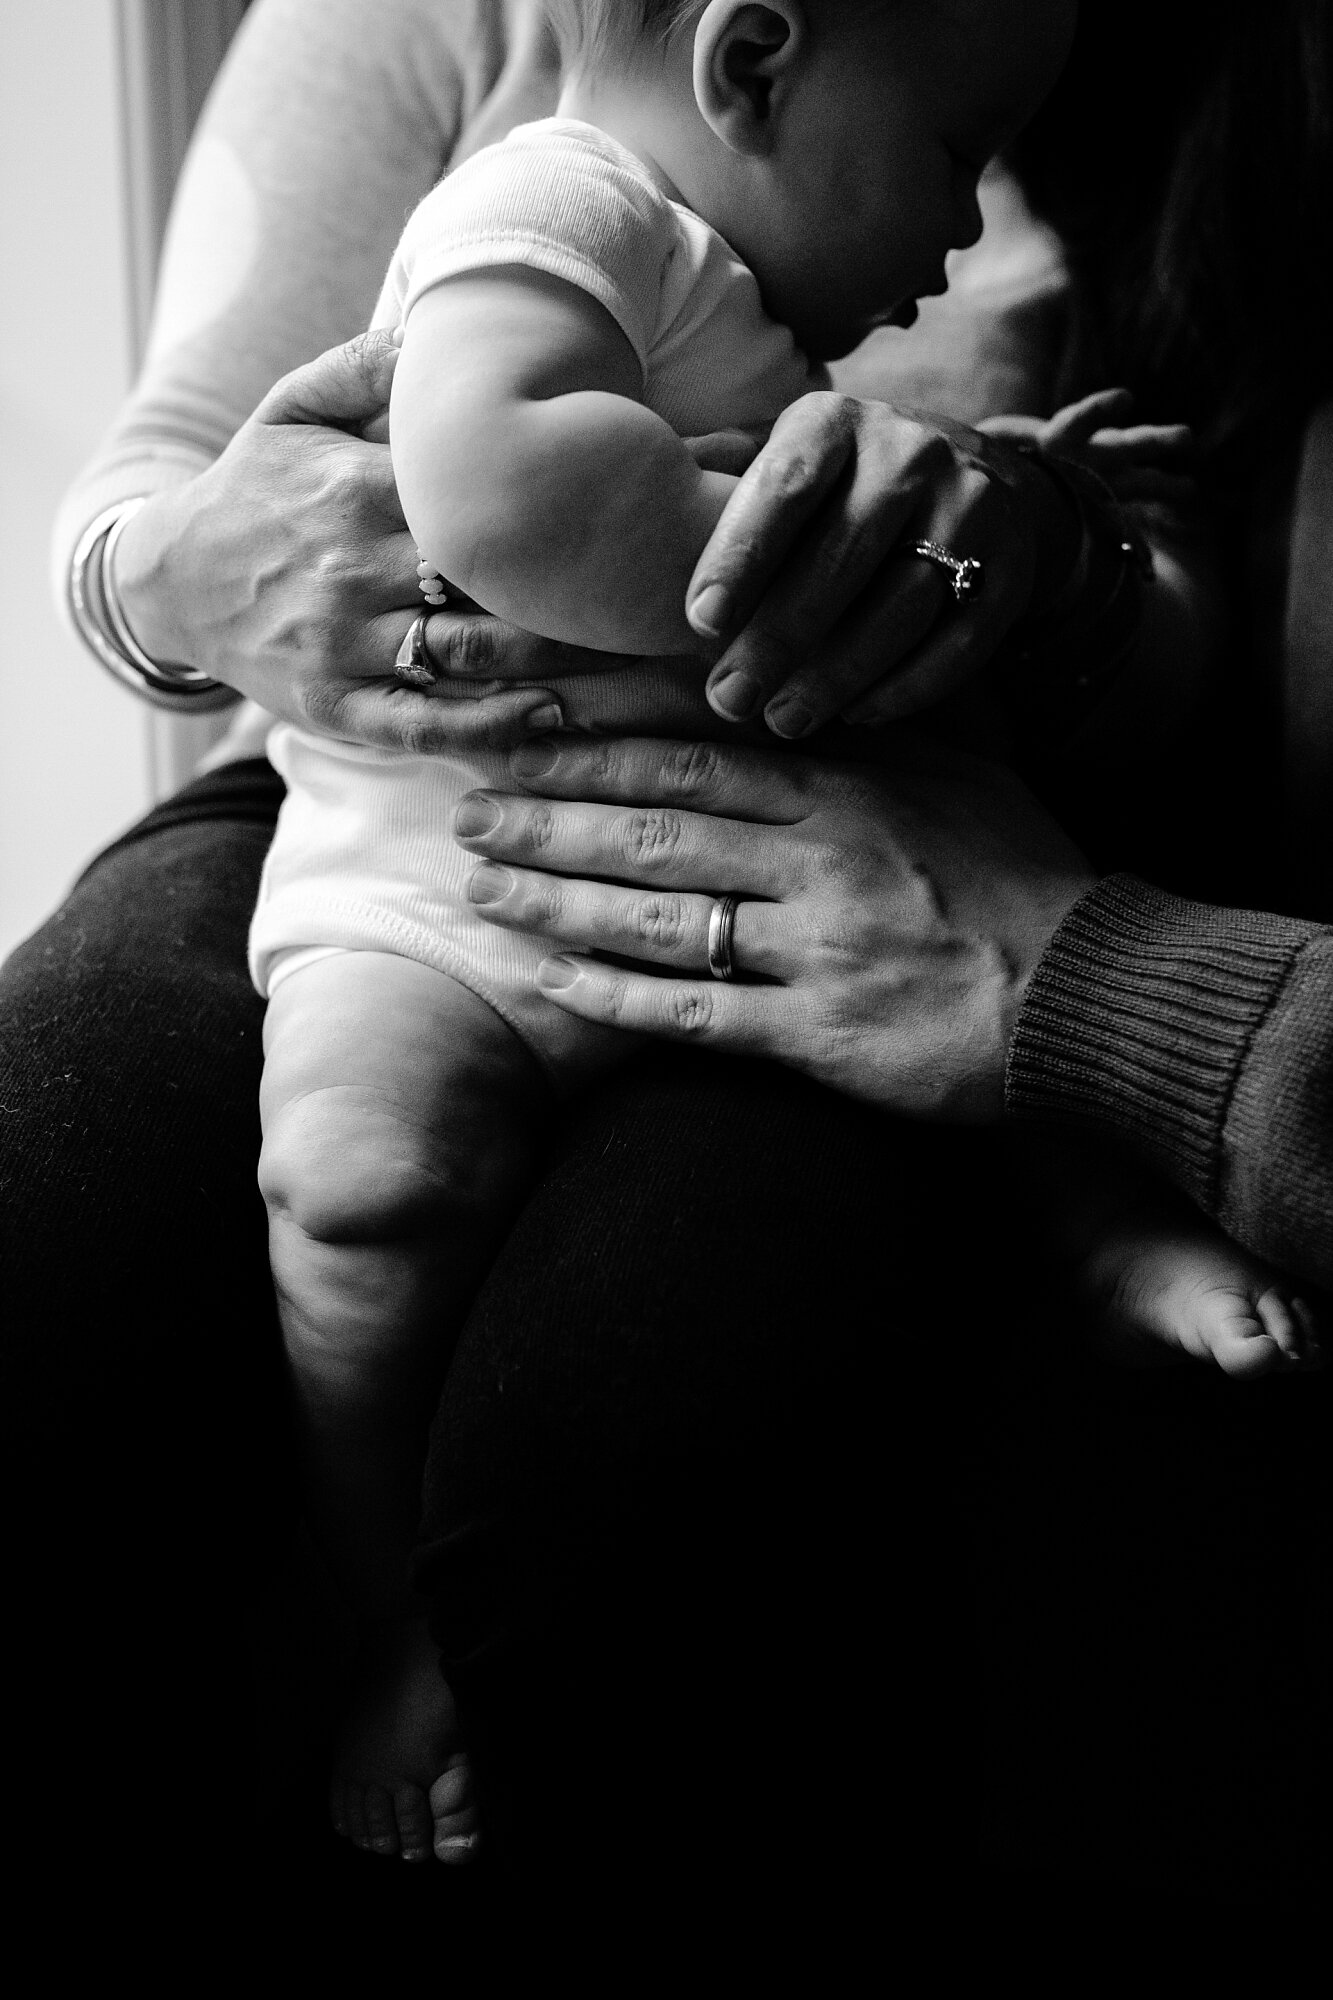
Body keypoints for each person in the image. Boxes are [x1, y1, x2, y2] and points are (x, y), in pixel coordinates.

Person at [3, 0, 1323, 1903]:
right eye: (948, 165)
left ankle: (1093, 1192)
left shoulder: (995, 98)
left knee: (649, 1404)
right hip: (413, 818)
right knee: (270, 1188)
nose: (958, 229)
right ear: (751, 62)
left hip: (829, 800)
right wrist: (171, 569)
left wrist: (1033, 539)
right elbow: (436, 479)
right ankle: (377, 1613)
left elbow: (1173, 628)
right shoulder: (556, 197)